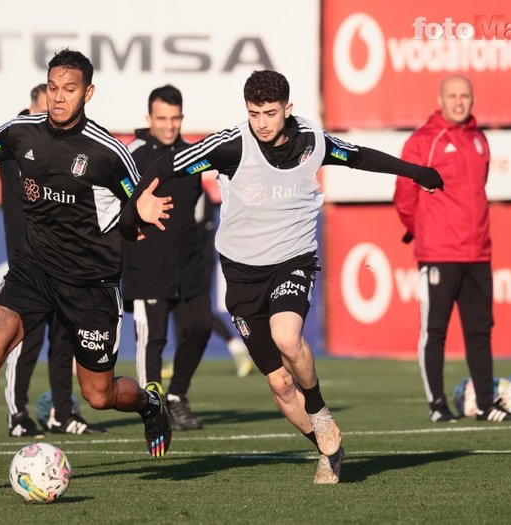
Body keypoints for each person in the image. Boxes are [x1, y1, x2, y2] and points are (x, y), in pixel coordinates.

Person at [121, 69, 444, 484]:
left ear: (288, 109)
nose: (261, 123)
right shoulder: (231, 145)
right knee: (278, 385)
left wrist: (417, 173)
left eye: (270, 113)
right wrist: (132, 213)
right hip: (241, 275)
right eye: (254, 113)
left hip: (292, 259)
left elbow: (359, 156)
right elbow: (166, 164)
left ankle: (320, 409)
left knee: (287, 336)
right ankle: (329, 450)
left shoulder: (313, 141)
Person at [0, 48, 173, 496]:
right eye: (53, 88)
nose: (58, 98)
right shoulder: (20, 133)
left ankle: (151, 403)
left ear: (87, 93)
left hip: (91, 285)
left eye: (69, 90)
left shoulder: (108, 153)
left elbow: (130, 223)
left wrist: (141, 213)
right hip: (33, 271)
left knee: (98, 395)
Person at [393, 75, 511, 423]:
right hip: (438, 252)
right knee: (434, 331)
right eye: (452, 95)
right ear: (440, 99)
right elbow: (404, 197)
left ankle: (486, 405)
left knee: (480, 331)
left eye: (464, 95)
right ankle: (438, 406)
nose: (459, 101)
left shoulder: (480, 139)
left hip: (478, 252)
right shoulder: (424, 141)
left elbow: (478, 190)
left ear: (472, 99)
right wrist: (420, 231)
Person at [0, 83, 104, 437]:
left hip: (66, 263)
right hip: (28, 260)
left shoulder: (59, 144)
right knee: (25, 339)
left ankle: (62, 411)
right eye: (49, 106)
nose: (56, 113)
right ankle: (17, 413)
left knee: (64, 339)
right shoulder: (17, 140)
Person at [123, 85, 212, 431]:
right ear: (149, 118)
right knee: (152, 342)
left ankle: (176, 396)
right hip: (146, 267)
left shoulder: (193, 156)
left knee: (202, 326)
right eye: (162, 118)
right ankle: (155, 410)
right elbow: (114, 203)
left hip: (187, 268)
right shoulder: (132, 154)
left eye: (175, 118)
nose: (169, 125)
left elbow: (195, 211)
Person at [199, 172, 254, 378]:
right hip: (193, 260)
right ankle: (179, 359)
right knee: (185, 310)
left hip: (194, 261)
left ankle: (237, 347)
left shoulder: (196, 191)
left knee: (198, 308)